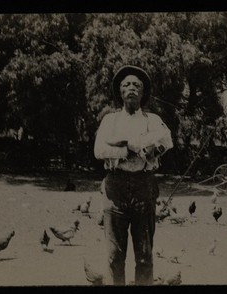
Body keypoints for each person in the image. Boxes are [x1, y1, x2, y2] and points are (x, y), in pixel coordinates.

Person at [94, 65, 173, 285]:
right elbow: (99, 150)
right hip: (115, 188)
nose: (131, 88)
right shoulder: (110, 121)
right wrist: (128, 150)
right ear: (119, 91)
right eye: (126, 84)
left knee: (145, 255)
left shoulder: (153, 120)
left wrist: (150, 149)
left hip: (144, 187)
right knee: (114, 256)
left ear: (143, 92)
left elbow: (167, 140)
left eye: (136, 85)